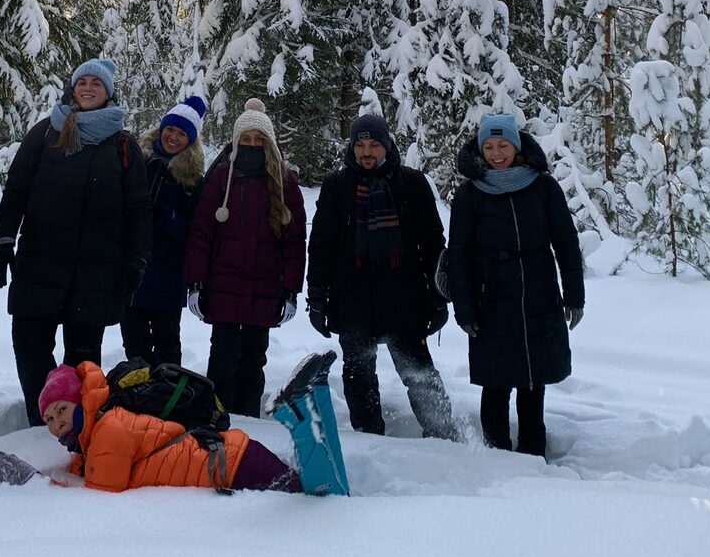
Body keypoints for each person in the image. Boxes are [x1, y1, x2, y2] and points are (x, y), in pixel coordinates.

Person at [0, 58, 152, 425]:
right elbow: (17, 187)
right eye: (82, 82)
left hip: (95, 273)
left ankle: (76, 427)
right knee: (30, 348)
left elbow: (139, 210)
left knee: (82, 359)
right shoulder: (45, 133)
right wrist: (4, 240)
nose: (88, 88)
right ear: (73, 87)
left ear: (108, 92)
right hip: (39, 263)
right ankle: (42, 422)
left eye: (97, 83)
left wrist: (136, 261)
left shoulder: (123, 145)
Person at [0, 354, 349, 495]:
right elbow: (89, 473)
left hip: (233, 467)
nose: (55, 423)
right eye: (49, 418)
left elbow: (99, 495)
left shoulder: (107, 432)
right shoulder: (95, 438)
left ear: (81, 400)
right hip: (232, 457)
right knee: (320, 494)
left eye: (62, 409)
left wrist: (34, 485)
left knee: (321, 499)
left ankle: (298, 410)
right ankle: (313, 399)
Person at [308, 112, 458, 440]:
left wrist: (438, 297)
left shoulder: (412, 184)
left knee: (419, 373)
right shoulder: (337, 186)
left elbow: (433, 245)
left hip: (404, 298)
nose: (366, 152)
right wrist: (317, 297)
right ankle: (370, 440)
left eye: (374, 144)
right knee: (358, 374)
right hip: (352, 299)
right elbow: (320, 245)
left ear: (387, 145)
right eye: (360, 144)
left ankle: (446, 438)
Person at [445, 111, 584, 457]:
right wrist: (463, 307)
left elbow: (566, 242)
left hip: (538, 291)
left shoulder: (542, 187)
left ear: (516, 146)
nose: (496, 153)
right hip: (489, 297)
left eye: (503, 144)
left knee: (533, 381)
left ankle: (534, 452)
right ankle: (496, 456)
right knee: (495, 382)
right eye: (489, 146)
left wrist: (574, 295)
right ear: (480, 150)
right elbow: (458, 254)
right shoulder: (469, 194)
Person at [184, 98, 307, 418]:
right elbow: (201, 233)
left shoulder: (284, 182)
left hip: (264, 290)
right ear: (236, 141)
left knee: (253, 362)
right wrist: (195, 282)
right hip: (223, 288)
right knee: (222, 360)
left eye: (259, 139)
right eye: (246, 139)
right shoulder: (220, 177)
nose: (253, 144)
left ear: (269, 143)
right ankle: (217, 422)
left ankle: (249, 425)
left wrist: (290, 290)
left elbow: (294, 241)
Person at [122, 95, 207, 367]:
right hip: (132, 270)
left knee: (167, 344)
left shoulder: (192, 178)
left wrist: (165, 215)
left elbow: (196, 228)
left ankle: (169, 400)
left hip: (168, 273)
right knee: (134, 343)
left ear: (190, 140)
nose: (173, 137)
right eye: (170, 129)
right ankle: (137, 398)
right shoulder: (139, 160)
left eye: (182, 133)